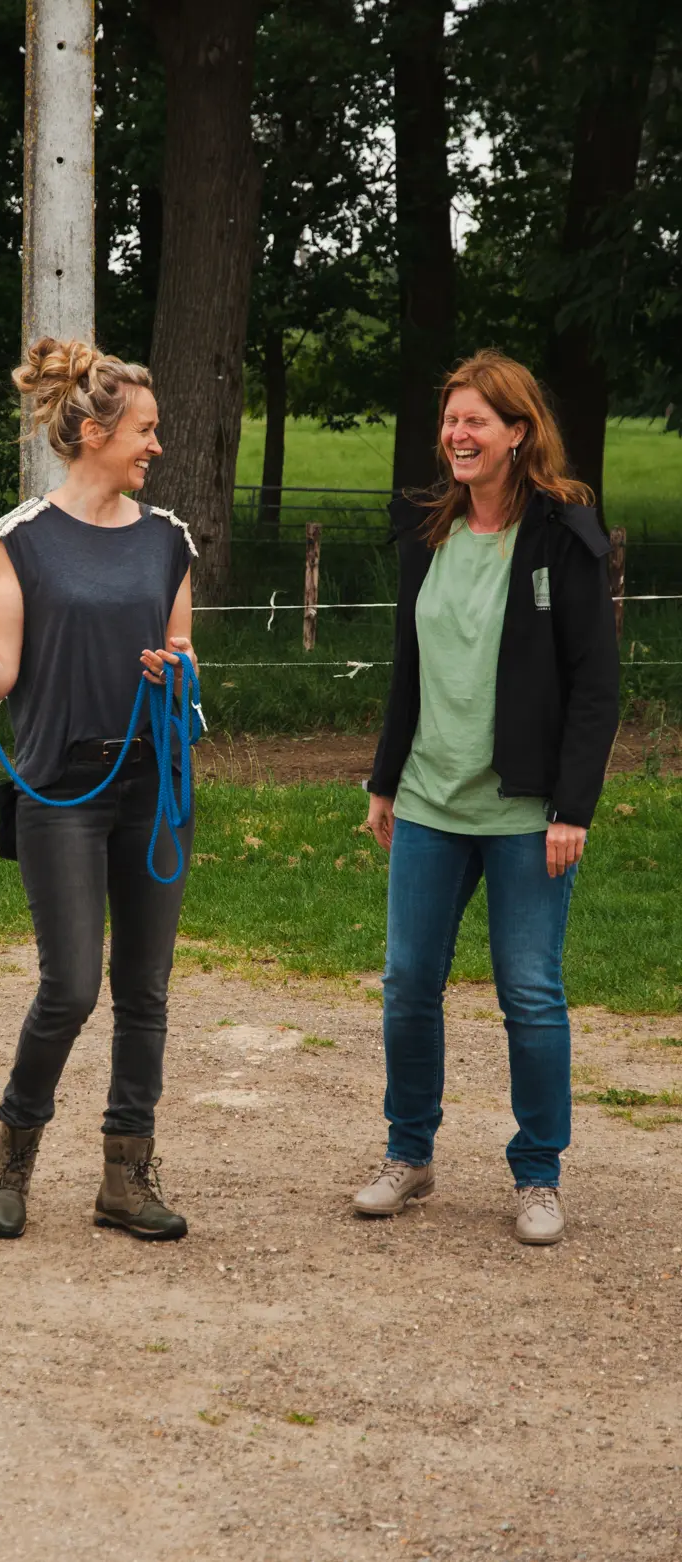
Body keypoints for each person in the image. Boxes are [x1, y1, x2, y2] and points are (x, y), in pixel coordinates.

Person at [0, 337, 198, 1242]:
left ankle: (126, 1175)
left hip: (154, 785)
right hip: (60, 790)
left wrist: (174, 676)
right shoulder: (20, 541)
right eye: (145, 430)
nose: (157, 446)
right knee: (72, 986)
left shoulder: (167, 542)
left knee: (144, 990)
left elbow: (187, 661)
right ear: (91, 433)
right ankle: (14, 1153)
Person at [355, 350, 619, 1245]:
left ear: (518, 432)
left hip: (525, 811)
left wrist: (572, 807)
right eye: (450, 420)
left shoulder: (565, 532)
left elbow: (595, 684)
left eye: (476, 422)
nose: (457, 436)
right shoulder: (429, 529)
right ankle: (409, 1153)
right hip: (431, 800)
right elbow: (410, 667)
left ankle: (538, 1176)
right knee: (407, 985)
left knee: (531, 993)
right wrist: (386, 781)